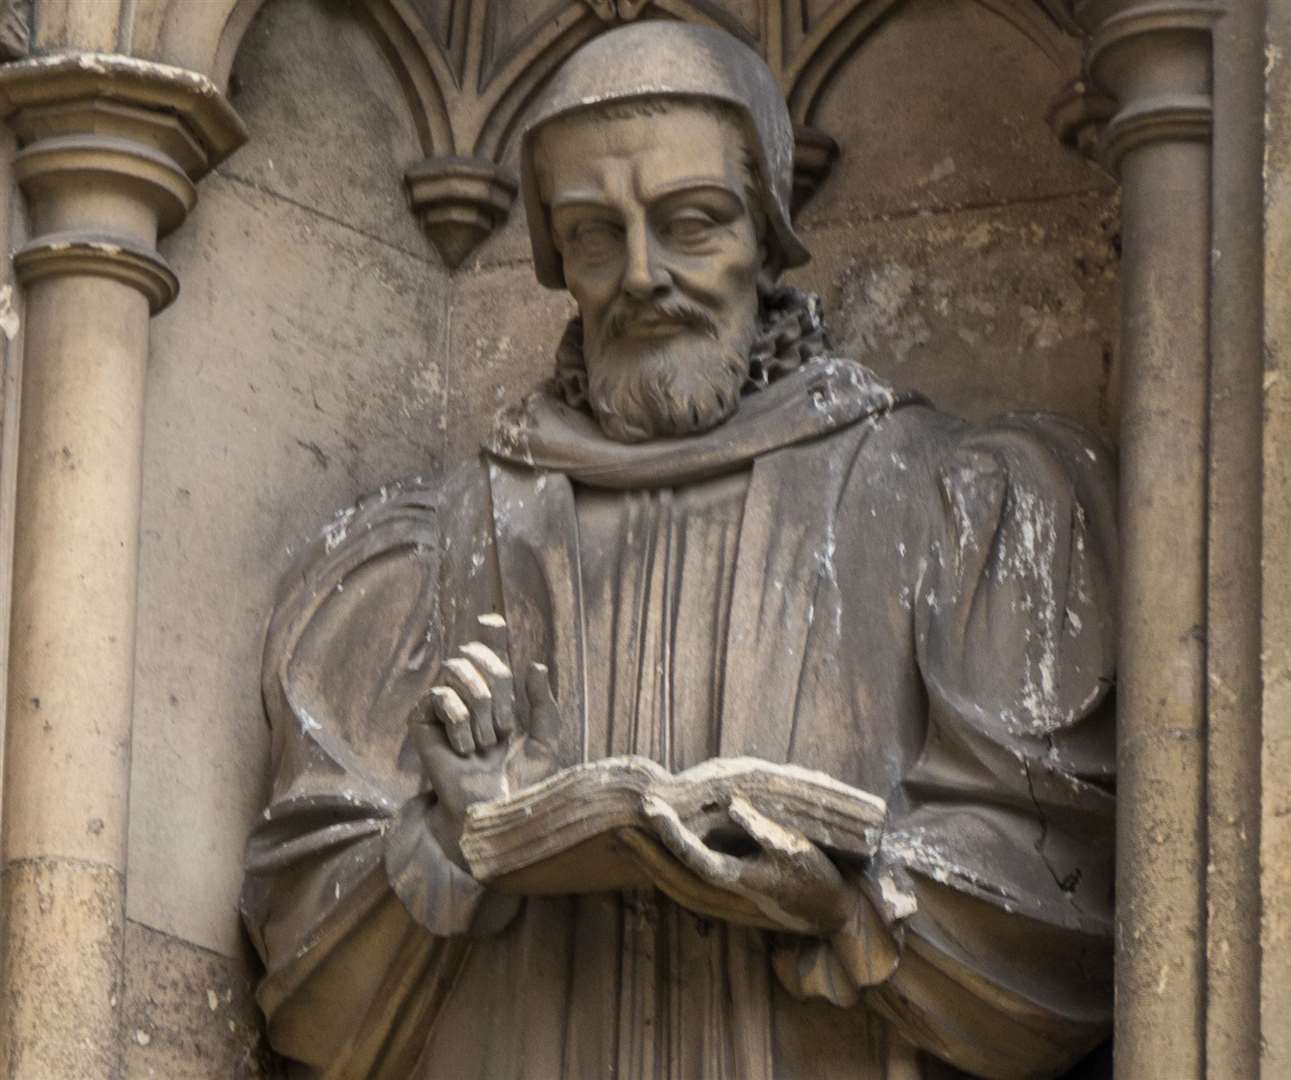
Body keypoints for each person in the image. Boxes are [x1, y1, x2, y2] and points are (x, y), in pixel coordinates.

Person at [242, 22, 1116, 1079]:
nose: (643, 275)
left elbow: (1078, 930)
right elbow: (305, 987)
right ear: (557, 261)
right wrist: (452, 839)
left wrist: (851, 897)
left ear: (768, 231)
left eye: (691, 223)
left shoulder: (944, 504)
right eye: (595, 235)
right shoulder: (433, 547)